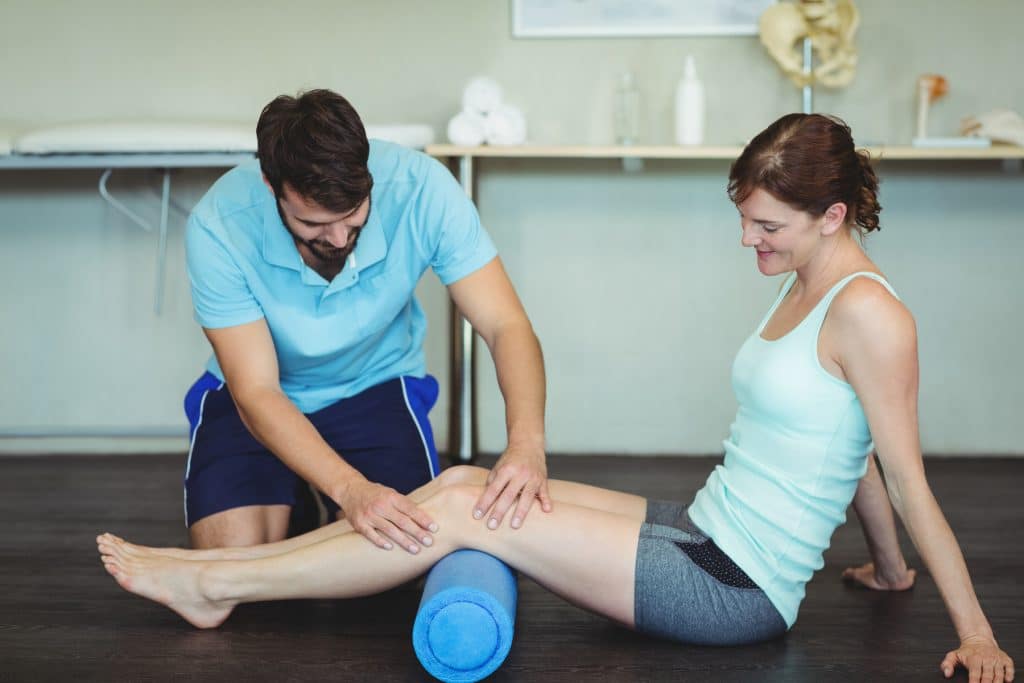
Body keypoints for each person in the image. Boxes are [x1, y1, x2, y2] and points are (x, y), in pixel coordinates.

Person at [100, 114, 1013, 682]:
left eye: (764, 224)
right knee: (465, 477)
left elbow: (905, 477)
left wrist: (975, 633)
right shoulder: (805, 280)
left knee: (465, 517)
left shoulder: (874, 318)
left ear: (832, 216)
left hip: (736, 589)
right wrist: (887, 572)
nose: (748, 240)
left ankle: (211, 583)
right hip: (706, 528)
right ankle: (214, 577)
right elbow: (846, 446)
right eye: (746, 217)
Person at [181, 89, 550, 552]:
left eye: (353, 216)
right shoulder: (219, 224)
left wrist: (527, 445)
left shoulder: (423, 189)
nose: (338, 238)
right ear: (272, 187)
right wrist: (350, 490)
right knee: (229, 557)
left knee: (399, 554)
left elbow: (505, 325)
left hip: (373, 385)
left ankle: (311, 503)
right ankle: (305, 494)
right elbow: (257, 390)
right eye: (314, 224)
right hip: (261, 397)